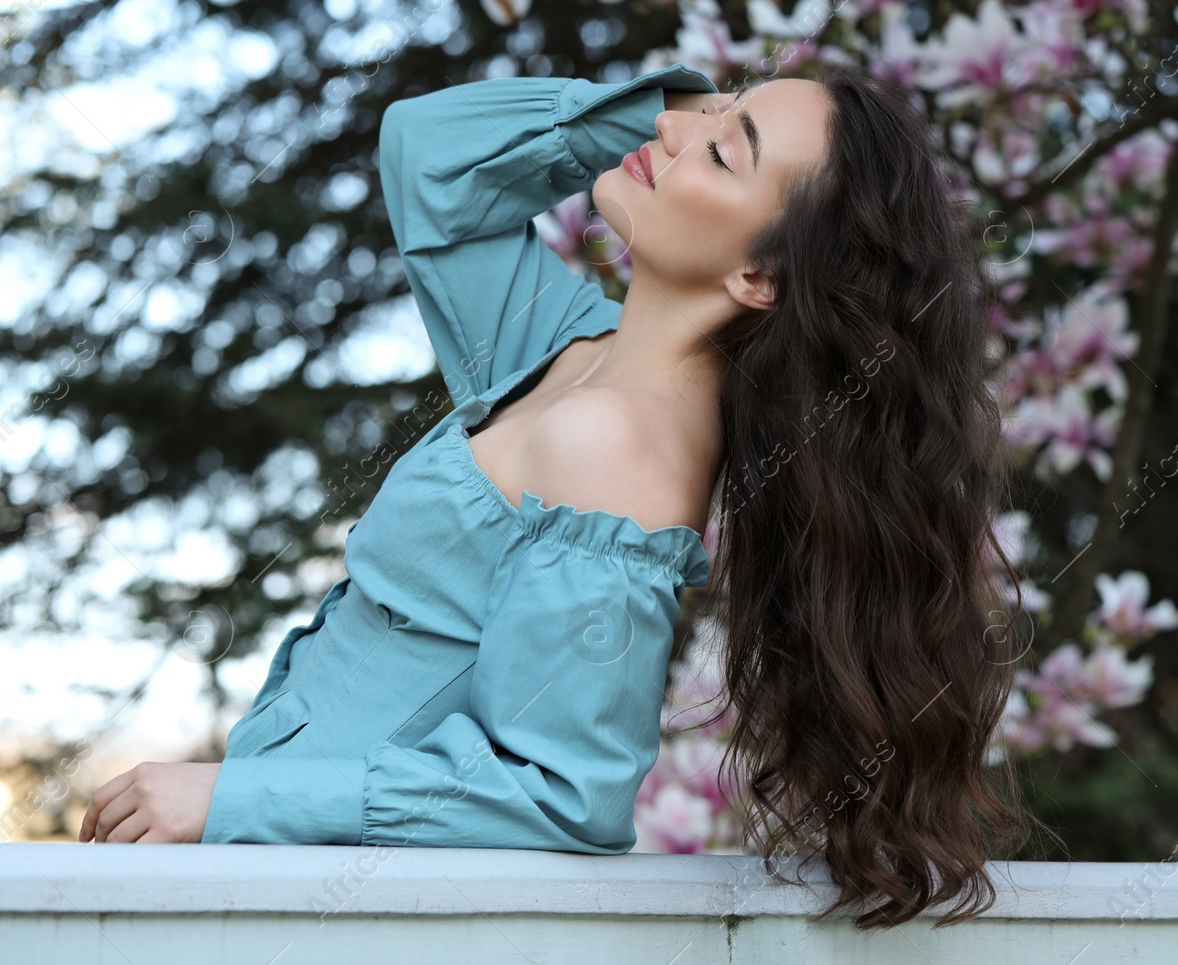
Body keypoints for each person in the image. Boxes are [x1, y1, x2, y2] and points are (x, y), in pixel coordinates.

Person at [79, 60, 1028, 928]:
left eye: (726, 151)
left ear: (756, 275)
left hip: (328, 906)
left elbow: (559, 791)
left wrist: (233, 797)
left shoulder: (619, 447)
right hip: (257, 874)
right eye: (711, 110)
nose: (675, 135)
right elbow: (429, 157)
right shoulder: (565, 348)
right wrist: (649, 109)